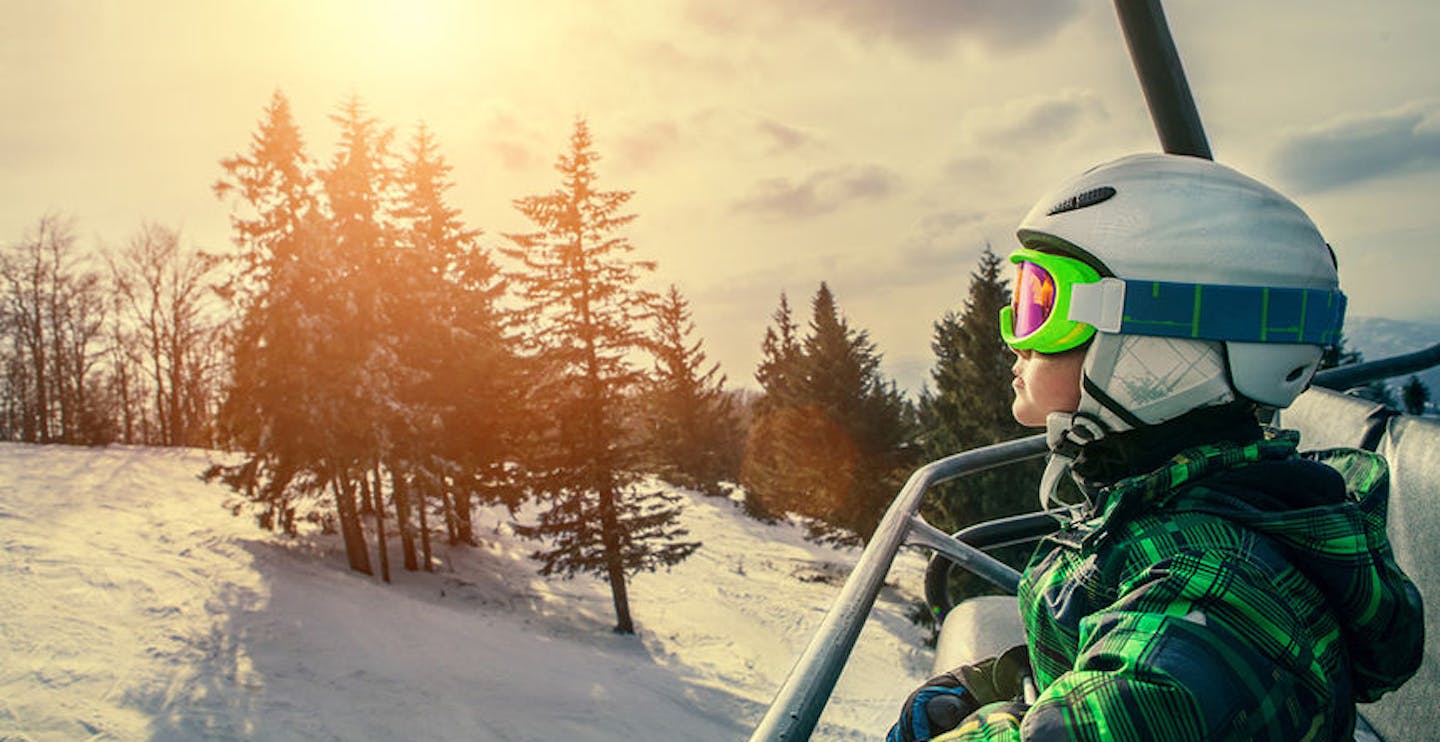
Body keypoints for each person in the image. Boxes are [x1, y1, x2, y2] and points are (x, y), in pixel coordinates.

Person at [888, 153, 1424, 741]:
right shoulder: (1168, 502)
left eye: (1042, 302)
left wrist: (1004, 722)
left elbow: (1140, 697)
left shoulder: (1215, 589)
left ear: (1161, 343)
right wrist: (1012, 682)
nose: (1014, 334)